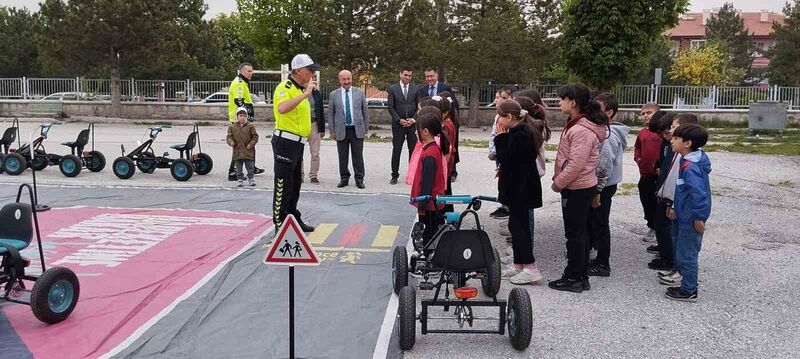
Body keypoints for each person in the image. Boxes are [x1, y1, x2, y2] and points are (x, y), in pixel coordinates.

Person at [548, 83, 607, 293]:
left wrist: (558, 183)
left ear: (573, 102)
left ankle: (575, 277)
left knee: (575, 234)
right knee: (578, 232)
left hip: (578, 187)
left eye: (562, 98)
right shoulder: (575, 124)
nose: (559, 102)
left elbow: (576, 163)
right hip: (578, 186)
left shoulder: (581, 130)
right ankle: (578, 274)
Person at [494, 100, 544, 285]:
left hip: (521, 190)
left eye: (500, 115)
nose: (498, 119)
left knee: (520, 228)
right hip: (518, 188)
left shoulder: (521, 134)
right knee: (515, 227)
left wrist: (499, 139)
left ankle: (530, 267)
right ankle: (518, 264)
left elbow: (508, 160)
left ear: (509, 117)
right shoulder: (517, 132)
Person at [271, 54, 320, 233]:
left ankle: (292, 217)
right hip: (285, 142)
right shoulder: (285, 87)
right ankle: (279, 223)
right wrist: (305, 95)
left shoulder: (300, 89)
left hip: (298, 144)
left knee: (295, 185)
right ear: (299, 70)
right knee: (283, 185)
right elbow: (282, 108)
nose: (313, 73)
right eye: (310, 70)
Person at [665, 123, 711, 302]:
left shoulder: (691, 166)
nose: (672, 141)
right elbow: (682, 189)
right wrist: (675, 206)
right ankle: (686, 283)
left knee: (687, 254)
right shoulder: (686, 160)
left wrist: (699, 217)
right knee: (681, 250)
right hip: (683, 214)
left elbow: (699, 194)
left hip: (691, 219)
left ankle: (689, 290)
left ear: (687, 143)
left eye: (676, 138)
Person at [586, 92, 629, 277]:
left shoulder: (609, 135)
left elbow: (604, 166)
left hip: (603, 186)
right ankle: (596, 257)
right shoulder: (601, 130)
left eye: (598, 108)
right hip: (600, 185)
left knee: (601, 223)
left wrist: (597, 190)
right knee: (595, 222)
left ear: (609, 112)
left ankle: (603, 263)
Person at [652, 114, 699, 279]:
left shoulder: (688, 161)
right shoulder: (678, 152)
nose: (670, 132)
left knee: (685, 246)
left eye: (674, 127)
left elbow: (686, 188)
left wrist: (672, 203)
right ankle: (677, 270)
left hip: (679, 206)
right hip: (672, 202)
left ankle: (687, 285)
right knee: (676, 238)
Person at [409, 111, 449, 244]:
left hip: (430, 204)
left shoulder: (430, 154)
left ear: (425, 131)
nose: (416, 133)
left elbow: (427, 183)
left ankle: (429, 258)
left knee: (429, 235)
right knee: (430, 233)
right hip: (431, 202)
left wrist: (421, 207)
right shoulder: (431, 149)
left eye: (417, 130)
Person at [328, 70, 369, 189]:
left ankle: (359, 179)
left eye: (348, 79)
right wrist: (332, 131)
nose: (346, 81)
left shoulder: (360, 93)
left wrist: (366, 127)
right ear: (339, 80)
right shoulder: (333, 94)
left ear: (351, 79)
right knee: (343, 156)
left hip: (357, 129)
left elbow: (364, 111)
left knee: (358, 156)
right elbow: (330, 114)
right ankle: (344, 178)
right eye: (344, 79)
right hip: (341, 130)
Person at [228, 63, 264, 181]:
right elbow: (239, 101)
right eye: (249, 71)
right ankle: (232, 172)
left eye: (252, 71)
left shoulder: (242, 83)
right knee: (239, 146)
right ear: (242, 71)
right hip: (238, 121)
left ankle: (251, 167)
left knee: (248, 145)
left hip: (242, 119)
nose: (251, 73)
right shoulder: (238, 83)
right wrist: (245, 116)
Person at [634, 102, 663, 241]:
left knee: (658, 204)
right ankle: (651, 226)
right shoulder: (643, 132)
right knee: (646, 201)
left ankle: (659, 230)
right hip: (645, 174)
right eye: (643, 113)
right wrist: (638, 159)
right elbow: (637, 148)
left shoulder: (662, 132)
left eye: (649, 113)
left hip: (658, 176)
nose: (645, 116)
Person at [387, 67, 420, 185]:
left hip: (412, 125)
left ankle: (412, 174)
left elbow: (419, 106)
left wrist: (413, 119)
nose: (407, 77)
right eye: (405, 75)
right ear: (400, 74)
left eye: (410, 76)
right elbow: (390, 107)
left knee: (413, 150)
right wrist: (399, 120)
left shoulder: (416, 88)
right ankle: (394, 175)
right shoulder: (393, 89)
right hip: (398, 125)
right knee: (397, 150)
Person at [488, 86, 515, 219]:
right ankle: (505, 206)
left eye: (504, 98)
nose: (499, 100)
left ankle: (508, 209)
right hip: (498, 152)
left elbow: (501, 138)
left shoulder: (510, 120)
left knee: (508, 183)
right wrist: (492, 151)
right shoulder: (499, 116)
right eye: (498, 97)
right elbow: (493, 135)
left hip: (504, 153)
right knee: (502, 181)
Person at [227, 107, 259, 187]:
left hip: (248, 150)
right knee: (238, 167)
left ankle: (251, 179)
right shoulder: (232, 127)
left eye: (244, 116)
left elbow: (255, 137)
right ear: (237, 117)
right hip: (238, 151)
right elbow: (229, 137)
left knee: (250, 166)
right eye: (240, 115)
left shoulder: (251, 126)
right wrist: (231, 142)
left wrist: (251, 145)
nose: (242, 117)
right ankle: (240, 179)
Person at [305, 85, 325, 184]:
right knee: (298, 152)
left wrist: (322, 128)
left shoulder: (315, 92)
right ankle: (299, 175)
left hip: (314, 124)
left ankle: (313, 175)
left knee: (315, 152)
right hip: (301, 124)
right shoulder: (297, 91)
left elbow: (320, 109)